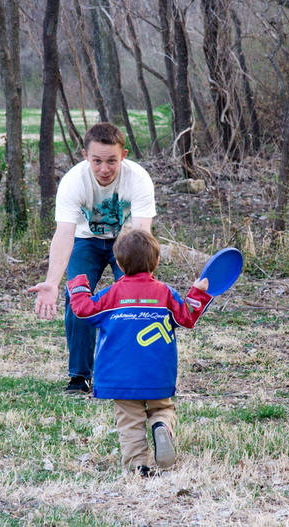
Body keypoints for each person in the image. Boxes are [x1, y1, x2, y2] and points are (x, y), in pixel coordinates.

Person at [66, 230, 212, 475]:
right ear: (156, 262)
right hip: (157, 373)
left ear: (120, 264)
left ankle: (138, 466)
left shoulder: (111, 295)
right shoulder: (164, 293)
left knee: (129, 422)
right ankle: (161, 425)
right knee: (162, 407)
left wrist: (78, 284)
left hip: (119, 375)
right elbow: (186, 318)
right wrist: (197, 293)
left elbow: (83, 311)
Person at [27, 123, 157, 394]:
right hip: (86, 241)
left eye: (111, 161)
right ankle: (79, 376)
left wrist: (142, 280)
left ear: (123, 155)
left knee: (133, 299)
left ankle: (131, 372)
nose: (104, 169)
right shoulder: (73, 182)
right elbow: (64, 234)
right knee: (77, 297)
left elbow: (143, 232)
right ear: (85, 156)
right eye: (97, 161)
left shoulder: (139, 178)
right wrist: (52, 281)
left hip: (127, 240)